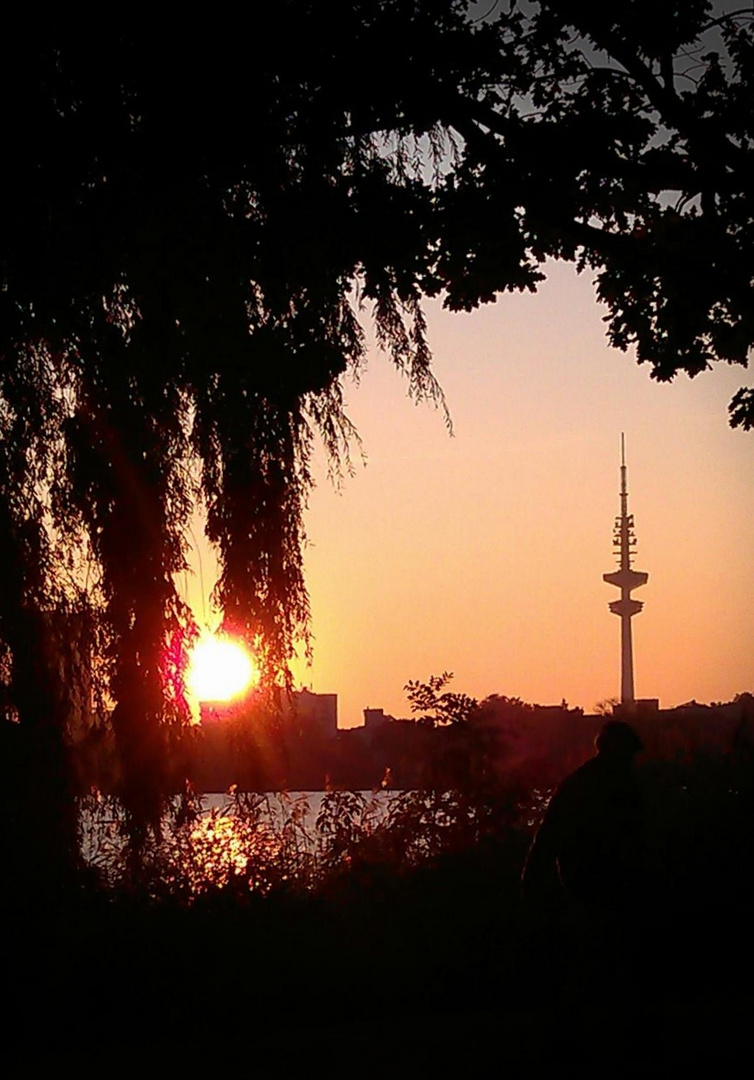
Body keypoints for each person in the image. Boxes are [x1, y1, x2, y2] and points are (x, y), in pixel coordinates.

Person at [522, 720, 645, 918]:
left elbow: (547, 835)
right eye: (629, 756)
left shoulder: (580, 782)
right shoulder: (614, 785)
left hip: (591, 881)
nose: (631, 762)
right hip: (596, 882)